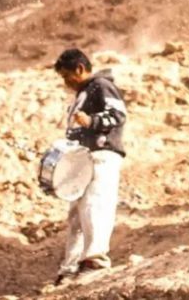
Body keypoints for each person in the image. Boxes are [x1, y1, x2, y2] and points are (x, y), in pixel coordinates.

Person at [53, 48, 126, 285]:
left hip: (102, 155)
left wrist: (92, 121)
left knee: (96, 205)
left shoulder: (101, 85)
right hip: (85, 158)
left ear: (80, 69)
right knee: (77, 213)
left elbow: (118, 114)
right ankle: (71, 266)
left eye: (67, 76)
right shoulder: (85, 92)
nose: (66, 83)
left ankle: (95, 260)